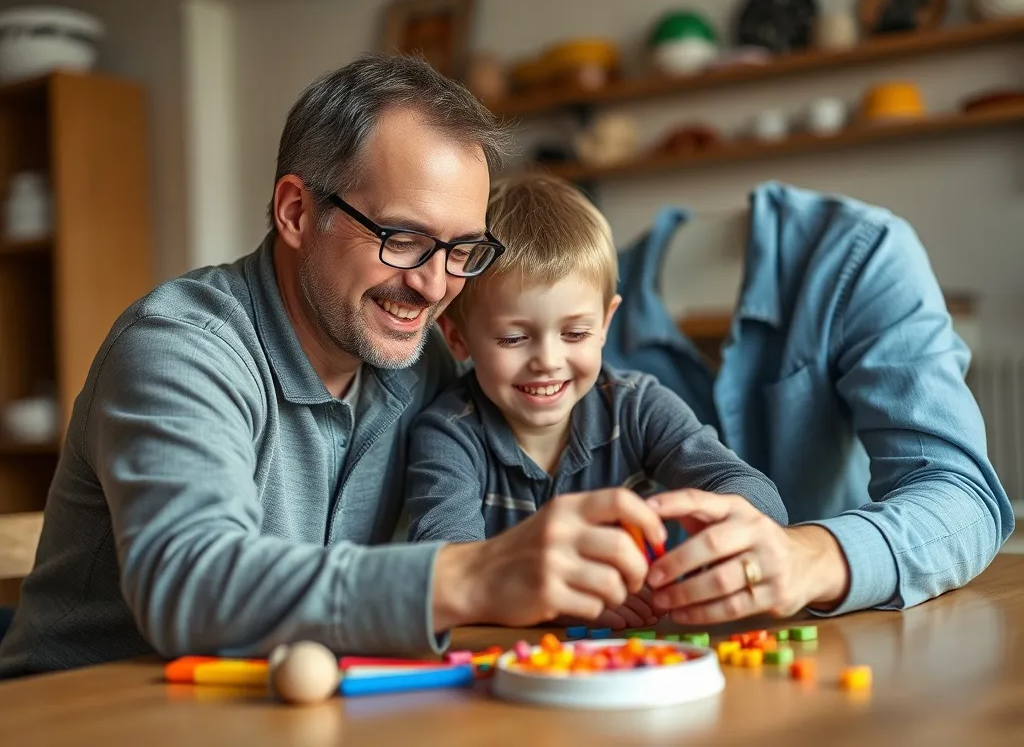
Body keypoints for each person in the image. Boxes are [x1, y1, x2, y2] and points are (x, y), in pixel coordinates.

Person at [0, 54, 668, 678]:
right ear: (297, 211)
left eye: (462, 249)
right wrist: (471, 576)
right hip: (82, 717)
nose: (436, 287)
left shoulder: (422, 362)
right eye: (404, 240)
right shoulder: (180, 348)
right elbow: (189, 585)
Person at [604, 183, 1015, 625]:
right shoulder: (576, 301)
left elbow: (960, 495)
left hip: (850, 638)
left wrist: (811, 555)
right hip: (652, 649)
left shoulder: (862, 254)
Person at [403, 173, 788, 630]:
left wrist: (717, 539)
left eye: (575, 334)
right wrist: (558, 599)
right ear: (457, 338)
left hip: (634, 654)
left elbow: (754, 496)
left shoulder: (637, 406)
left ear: (606, 324)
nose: (548, 360)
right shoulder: (448, 433)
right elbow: (446, 567)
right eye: (513, 338)